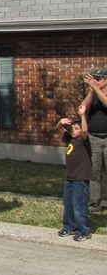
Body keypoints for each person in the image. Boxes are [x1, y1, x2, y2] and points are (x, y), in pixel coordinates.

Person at [57, 103, 94, 241]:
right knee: (68, 203)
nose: (73, 130)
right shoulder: (70, 139)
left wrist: (82, 115)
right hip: (70, 177)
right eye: (72, 128)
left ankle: (84, 230)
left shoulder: (84, 141)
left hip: (81, 177)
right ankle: (69, 226)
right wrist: (61, 122)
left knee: (80, 205)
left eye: (76, 128)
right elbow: (59, 128)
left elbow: (85, 131)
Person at [82, 69, 107, 213]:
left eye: (99, 79)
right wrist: (91, 91)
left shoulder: (101, 93)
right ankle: (95, 203)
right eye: (94, 79)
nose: (95, 82)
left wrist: (96, 89)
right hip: (94, 138)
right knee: (94, 173)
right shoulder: (95, 93)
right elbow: (84, 108)